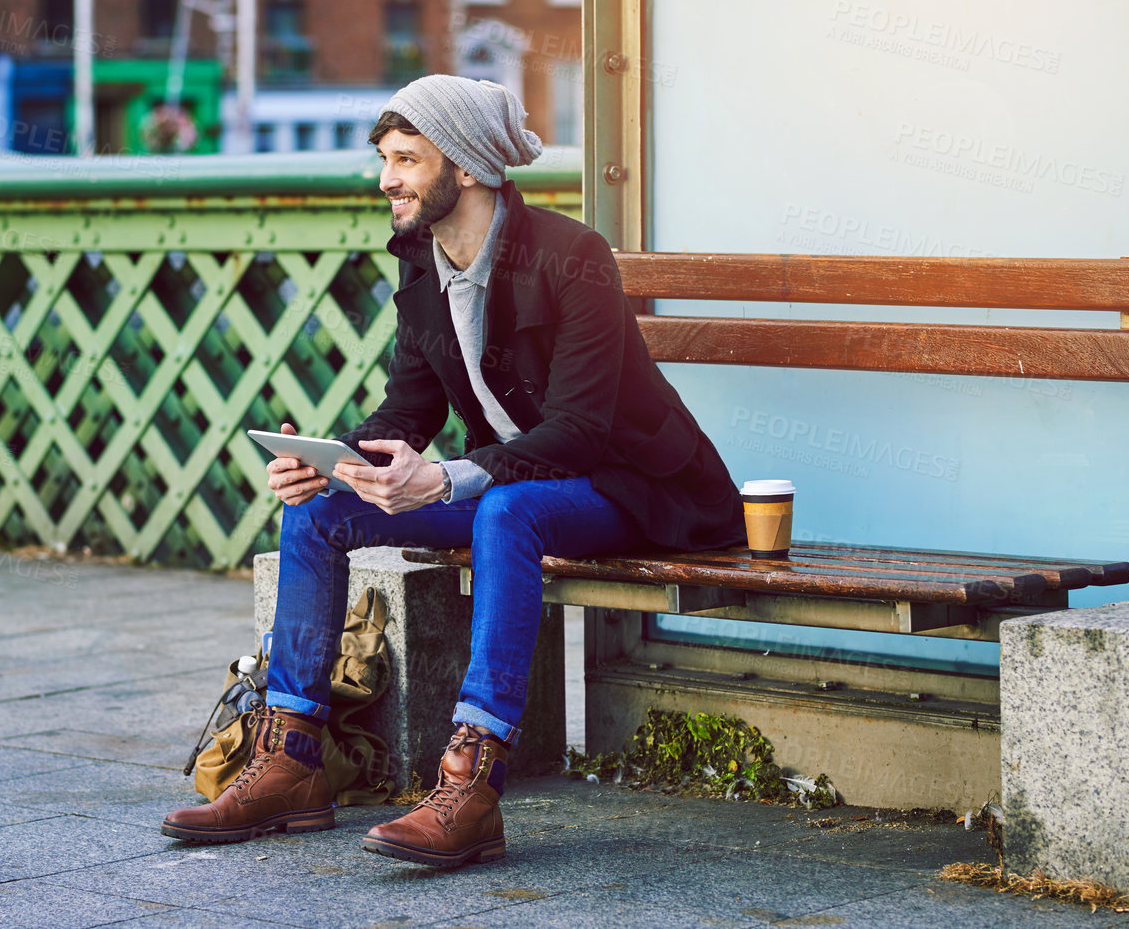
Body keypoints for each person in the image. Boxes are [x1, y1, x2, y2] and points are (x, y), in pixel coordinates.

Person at [161, 75, 745, 866]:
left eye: (406, 159)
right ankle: (291, 761)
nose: (385, 179)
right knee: (316, 514)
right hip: (511, 488)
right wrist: (335, 464)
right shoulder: (421, 260)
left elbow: (578, 431)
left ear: (465, 166)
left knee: (508, 510)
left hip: (633, 489)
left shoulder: (571, 258)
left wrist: (444, 478)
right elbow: (406, 412)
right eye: (384, 158)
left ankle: (472, 780)